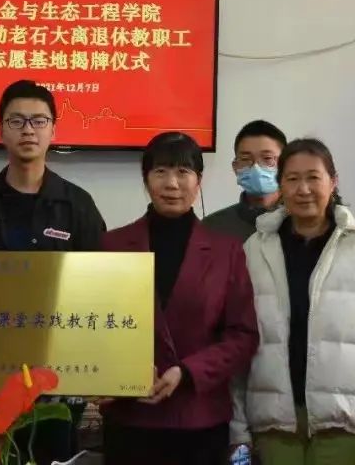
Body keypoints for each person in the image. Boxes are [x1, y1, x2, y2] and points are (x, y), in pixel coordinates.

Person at [230, 138, 355, 465]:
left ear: (333, 181)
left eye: (313, 177)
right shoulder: (254, 251)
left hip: (345, 429)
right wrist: (238, 432)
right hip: (274, 429)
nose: (303, 189)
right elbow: (238, 345)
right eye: (292, 179)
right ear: (280, 186)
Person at [0, 79, 106, 464]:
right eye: (16, 121)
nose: (28, 130)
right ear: (0, 130)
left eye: (38, 121)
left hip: (56, 377)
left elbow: (100, 287)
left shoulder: (77, 205)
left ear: (53, 130)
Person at [100, 132, 259, 465]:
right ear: (146, 179)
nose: (172, 183)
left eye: (183, 172)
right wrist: (114, 374)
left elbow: (243, 335)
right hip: (130, 418)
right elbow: (95, 328)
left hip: (199, 419)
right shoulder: (111, 245)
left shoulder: (226, 251)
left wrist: (187, 372)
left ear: (199, 181)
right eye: (160, 172)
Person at [203, 120, 287, 242]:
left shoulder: (303, 222)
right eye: (246, 159)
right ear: (235, 167)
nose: (256, 168)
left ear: (286, 164)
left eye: (267, 158)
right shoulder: (212, 227)